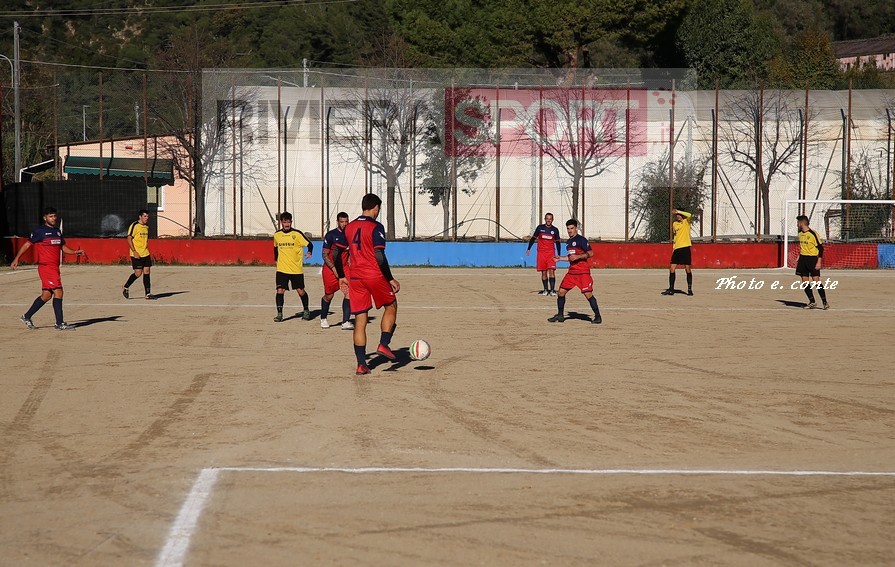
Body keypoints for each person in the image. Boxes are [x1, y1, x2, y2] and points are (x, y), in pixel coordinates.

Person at [333, 193, 399, 375]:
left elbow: (337, 254)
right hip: (373, 275)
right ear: (376, 207)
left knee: (360, 320)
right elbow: (379, 255)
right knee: (391, 305)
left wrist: (341, 276)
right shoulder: (376, 226)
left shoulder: (349, 227)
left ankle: (361, 364)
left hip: (355, 278)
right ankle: (384, 343)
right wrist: (390, 278)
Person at [10, 207, 85, 330]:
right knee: (58, 291)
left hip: (54, 268)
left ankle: (26, 316)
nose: (53, 218)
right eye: (50, 216)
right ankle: (59, 323)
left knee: (46, 295)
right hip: (46, 267)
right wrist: (17, 258)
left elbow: (63, 247)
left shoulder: (57, 232)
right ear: (45, 218)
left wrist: (75, 252)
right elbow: (27, 244)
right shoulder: (40, 231)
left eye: (54, 216)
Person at [548, 219, 602, 324]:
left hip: (583, 272)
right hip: (572, 273)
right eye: (568, 229)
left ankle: (598, 316)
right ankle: (560, 315)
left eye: (572, 228)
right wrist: (560, 258)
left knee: (588, 294)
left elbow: (591, 253)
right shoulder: (568, 242)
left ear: (576, 228)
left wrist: (578, 256)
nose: (570, 231)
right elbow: (570, 258)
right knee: (561, 292)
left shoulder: (581, 240)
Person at [273, 211, 313, 322]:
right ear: (281, 222)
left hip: (296, 269)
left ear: (291, 222)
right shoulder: (277, 235)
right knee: (280, 290)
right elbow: (275, 248)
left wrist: (309, 252)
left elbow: (310, 244)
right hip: (282, 269)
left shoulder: (297, 234)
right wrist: (276, 259)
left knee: (300, 291)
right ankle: (279, 314)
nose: (287, 224)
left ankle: (306, 310)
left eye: (288, 222)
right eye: (284, 222)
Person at [320, 211, 353, 330]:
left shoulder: (350, 234)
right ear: (337, 222)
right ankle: (323, 318)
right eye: (342, 222)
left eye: (346, 221)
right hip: (330, 269)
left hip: (344, 267)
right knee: (329, 295)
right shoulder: (331, 235)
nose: (344, 224)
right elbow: (324, 255)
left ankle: (346, 321)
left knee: (349, 291)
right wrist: (334, 269)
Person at [795, 215, 829, 309]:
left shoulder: (813, 234)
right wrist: (799, 256)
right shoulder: (800, 233)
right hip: (803, 259)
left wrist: (819, 261)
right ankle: (812, 301)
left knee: (816, 281)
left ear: (801, 223)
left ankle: (824, 302)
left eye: (797, 222)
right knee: (804, 281)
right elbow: (802, 246)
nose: (797, 224)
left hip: (812, 259)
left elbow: (821, 248)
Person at [526, 213, 562, 296]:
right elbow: (533, 238)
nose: (549, 220)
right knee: (544, 272)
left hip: (551, 254)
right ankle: (545, 290)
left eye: (550, 219)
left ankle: (552, 290)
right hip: (541, 253)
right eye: (547, 218)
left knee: (552, 271)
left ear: (552, 220)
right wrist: (529, 248)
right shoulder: (540, 228)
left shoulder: (555, 230)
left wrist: (559, 254)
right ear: (545, 219)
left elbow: (558, 243)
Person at [122, 209, 154, 299]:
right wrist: (134, 251)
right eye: (145, 216)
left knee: (147, 272)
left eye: (147, 216)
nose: (146, 218)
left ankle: (148, 293)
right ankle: (126, 286)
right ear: (140, 217)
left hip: (145, 253)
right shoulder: (134, 225)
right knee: (138, 273)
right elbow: (129, 238)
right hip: (136, 254)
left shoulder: (146, 227)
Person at [662, 209, 694, 296]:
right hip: (677, 248)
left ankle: (689, 289)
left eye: (679, 215)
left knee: (687, 269)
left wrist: (679, 211)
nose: (678, 216)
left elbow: (689, 214)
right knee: (672, 268)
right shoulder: (675, 224)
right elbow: (675, 236)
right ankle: (671, 289)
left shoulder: (686, 222)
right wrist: (674, 247)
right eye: (677, 215)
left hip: (685, 248)